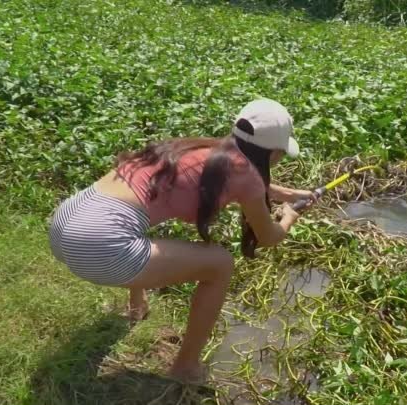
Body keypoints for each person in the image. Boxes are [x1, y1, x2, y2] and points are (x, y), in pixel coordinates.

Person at [48, 98, 315, 382]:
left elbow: (244, 180)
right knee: (220, 264)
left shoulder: (199, 148)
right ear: (273, 153)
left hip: (66, 222)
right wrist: (288, 216)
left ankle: (137, 306)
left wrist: (286, 193)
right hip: (98, 246)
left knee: (144, 229)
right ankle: (185, 368)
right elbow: (269, 237)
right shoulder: (245, 175)